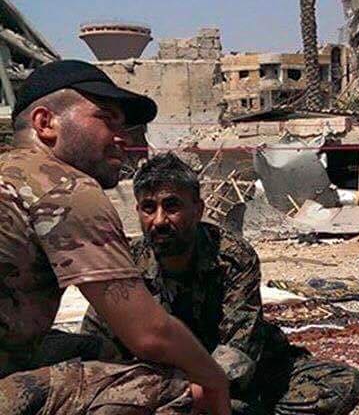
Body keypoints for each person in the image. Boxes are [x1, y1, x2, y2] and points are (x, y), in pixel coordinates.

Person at [0, 60, 230, 413]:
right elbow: (151, 334)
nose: (123, 138)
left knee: (94, 350)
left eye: (124, 125)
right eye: (106, 119)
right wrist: (215, 383)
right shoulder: (62, 186)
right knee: (172, 385)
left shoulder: (10, 173)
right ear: (45, 123)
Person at [81, 152, 359, 415]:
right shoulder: (125, 264)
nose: (159, 220)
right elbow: (97, 345)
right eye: (148, 208)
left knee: (341, 382)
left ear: (198, 209)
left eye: (172, 206)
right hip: (164, 382)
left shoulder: (232, 257)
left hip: (231, 376)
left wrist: (197, 395)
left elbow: (239, 349)